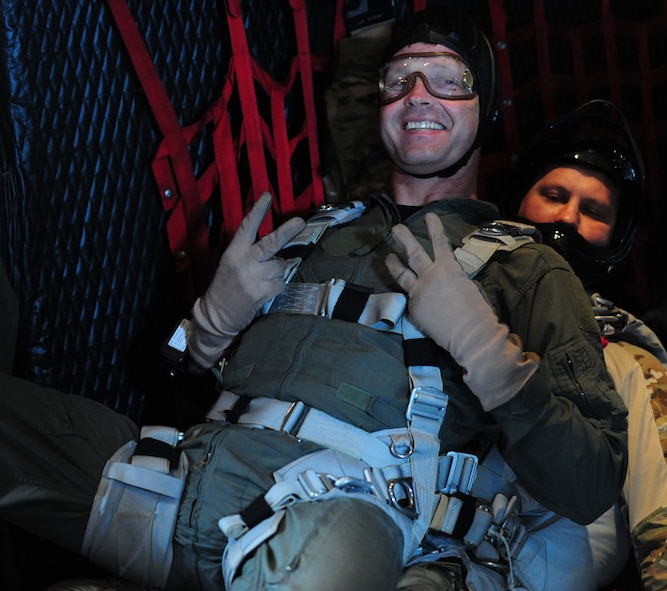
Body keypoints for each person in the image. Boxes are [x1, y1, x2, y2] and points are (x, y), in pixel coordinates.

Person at [0, 8, 628, 591]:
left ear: (486, 108)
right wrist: (206, 327)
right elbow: (164, 383)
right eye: (400, 77)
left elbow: (589, 485)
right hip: (175, 482)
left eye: (448, 79)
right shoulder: (312, 233)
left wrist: (486, 353)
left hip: (344, 513)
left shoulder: (529, 268)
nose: (418, 95)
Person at [500, 98, 667, 590]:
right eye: (553, 194)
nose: (566, 219)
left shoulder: (623, 362)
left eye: (593, 210)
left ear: (614, 239)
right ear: (519, 201)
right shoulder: (456, 309)